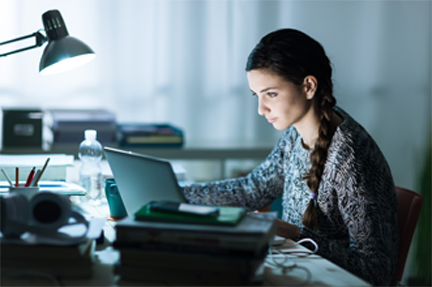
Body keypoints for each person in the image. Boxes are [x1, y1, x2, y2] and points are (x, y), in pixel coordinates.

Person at [181, 28, 399, 287]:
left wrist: (296, 234)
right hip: (301, 275)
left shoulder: (350, 160)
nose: (261, 109)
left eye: (271, 94)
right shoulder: (299, 132)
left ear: (308, 86)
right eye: (257, 95)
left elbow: (376, 273)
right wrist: (175, 193)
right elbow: (253, 189)